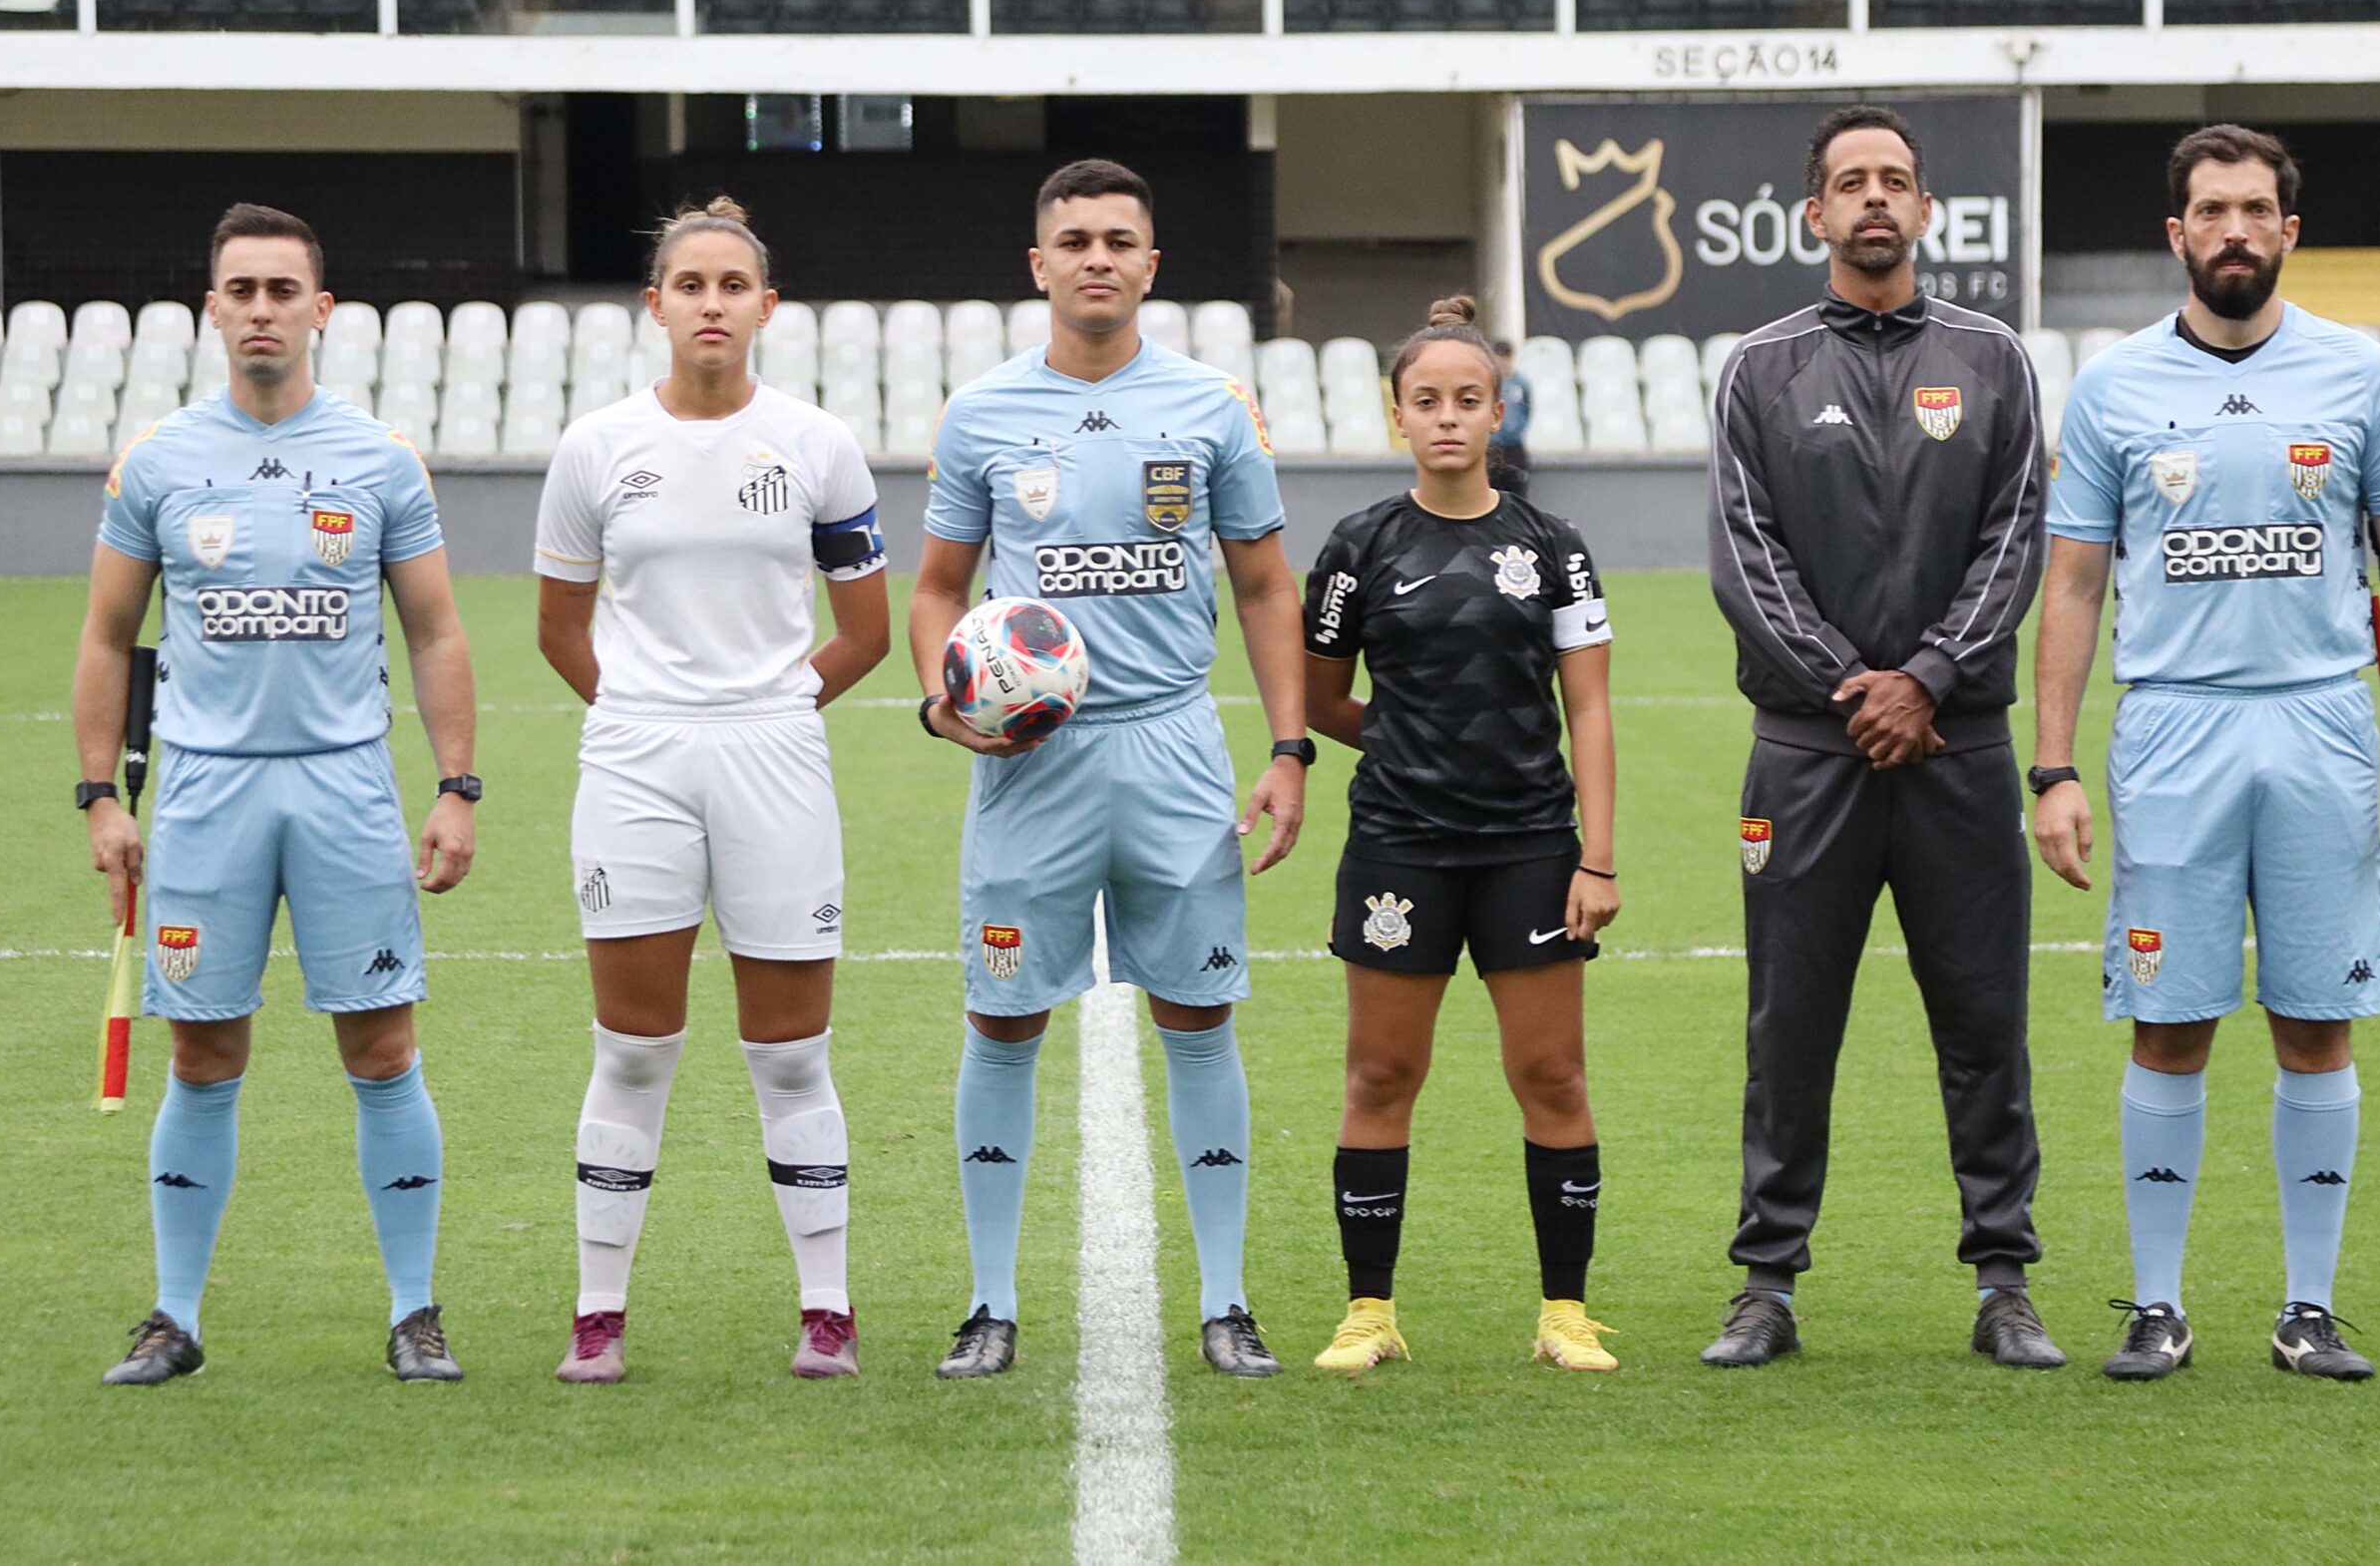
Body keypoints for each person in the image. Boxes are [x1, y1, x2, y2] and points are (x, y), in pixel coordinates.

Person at [2032, 126, 2380, 1383]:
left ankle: (2305, 1309)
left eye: (2254, 209)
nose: (2231, 229)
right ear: (2176, 234)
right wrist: (2050, 769)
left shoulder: (2362, 377)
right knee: (2167, 1023)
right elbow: (2070, 587)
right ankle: (2156, 1305)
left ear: (2287, 231)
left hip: (2321, 722)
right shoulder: (2110, 390)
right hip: (2171, 727)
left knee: (2317, 1019)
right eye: (2209, 210)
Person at [910, 158, 1309, 1379]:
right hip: (1033, 764)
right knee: (1003, 1013)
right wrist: (944, 703)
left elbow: (1261, 584)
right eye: (1073, 239)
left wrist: (1288, 750)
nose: (1096, 257)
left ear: (1149, 265)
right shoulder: (980, 412)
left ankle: (1227, 1301)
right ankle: (989, 1303)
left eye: (1118, 240)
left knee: (1199, 1012)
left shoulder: (1207, 406)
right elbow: (934, 589)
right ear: (1039, 266)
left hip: (1174, 746)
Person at [79, 203, 478, 1385]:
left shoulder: (380, 459)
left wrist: (457, 788)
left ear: (322, 309)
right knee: (200, 1053)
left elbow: (438, 632)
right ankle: (174, 1315)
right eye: (240, 290)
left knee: (382, 1044)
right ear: (214, 309)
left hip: (347, 786)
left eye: (281, 290)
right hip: (203, 796)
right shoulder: (156, 462)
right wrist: (101, 795)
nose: (261, 310)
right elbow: (107, 638)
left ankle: (414, 1313)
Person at [1703, 105, 2060, 1370]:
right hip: (1806, 756)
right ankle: (1765, 1281)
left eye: (1893, 181)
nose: (1872, 199)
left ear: (1923, 211)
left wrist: (1929, 677)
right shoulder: (1760, 368)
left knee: (1981, 1020)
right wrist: (1858, 687)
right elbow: (1744, 557)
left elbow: (2017, 539)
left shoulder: (1996, 359)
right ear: (1813, 214)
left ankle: (2005, 1280)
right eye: (1849, 182)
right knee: (1788, 1024)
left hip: (1956, 753)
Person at [534, 197, 889, 1382]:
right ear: (656, 305)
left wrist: (769, 711)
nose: (710, 305)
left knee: (792, 1056)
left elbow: (866, 632)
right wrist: (645, 714)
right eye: (689, 285)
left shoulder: (817, 443)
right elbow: (559, 629)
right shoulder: (595, 447)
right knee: (632, 1050)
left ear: (766, 307)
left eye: (732, 285)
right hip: (634, 761)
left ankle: (825, 1311)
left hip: (774, 759)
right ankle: (598, 1314)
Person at [1303, 296, 1621, 1375]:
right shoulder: (1358, 548)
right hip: (1399, 845)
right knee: (1380, 1077)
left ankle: (1565, 1314)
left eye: (1467, 400)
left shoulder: (1553, 546)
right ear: (1397, 416)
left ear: (1497, 413)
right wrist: (1406, 744)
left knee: (1554, 1077)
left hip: (1531, 845)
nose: (1447, 418)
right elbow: (1318, 698)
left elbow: (1589, 710)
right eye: (1426, 401)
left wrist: (1598, 854)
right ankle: (1368, 1313)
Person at [1487, 337, 1532, 495]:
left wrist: (1518, 429)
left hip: (1514, 446)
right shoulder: (1489, 383)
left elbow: (1528, 408)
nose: (1503, 362)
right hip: (1494, 445)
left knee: (1518, 491)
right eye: (1499, 357)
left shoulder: (1521, 383)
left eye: (1506, 357)